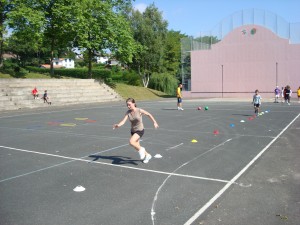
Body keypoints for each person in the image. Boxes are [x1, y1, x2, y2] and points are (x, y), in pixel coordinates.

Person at [113, 98, 159, 163]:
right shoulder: (128, 112)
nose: (128, 106)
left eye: (129, 105)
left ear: (134, 104)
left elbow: (149, 114)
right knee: (136, 146)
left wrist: (154, 122)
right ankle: (148, 155)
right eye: (127, 105)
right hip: (133, 131)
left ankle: (142, 149)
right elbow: (123, 121)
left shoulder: (139, 110)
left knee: (131, 142)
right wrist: (118, 125)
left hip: (140, 130)